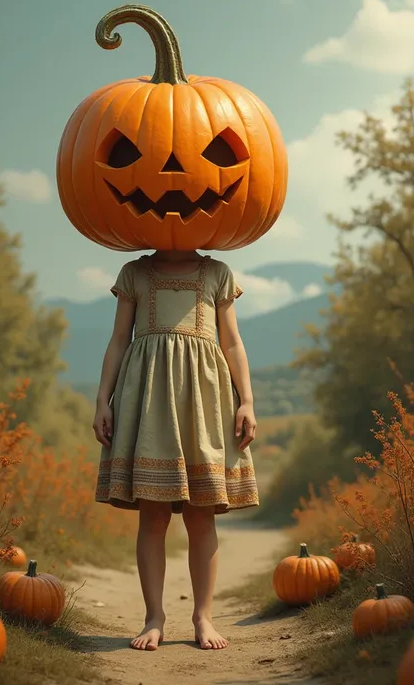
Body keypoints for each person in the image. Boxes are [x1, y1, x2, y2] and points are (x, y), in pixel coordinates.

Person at [92, 249, 258, 652]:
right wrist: (102, 400)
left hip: (203, 399)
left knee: (202, 517)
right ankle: (154, 617)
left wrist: (247, 401)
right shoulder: (135, 273)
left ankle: (203, 616)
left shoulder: (216, 272)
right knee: (153, 514)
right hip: (148, 398)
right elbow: (118, 340)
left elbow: (232, 342)